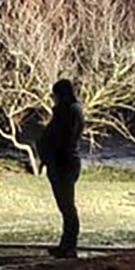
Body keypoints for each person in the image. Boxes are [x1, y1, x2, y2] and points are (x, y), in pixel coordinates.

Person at [39, 79, 83, 258]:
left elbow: (60, 138)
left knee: (67, 206)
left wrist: (48, 153)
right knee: (66, 205)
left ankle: (69, 245)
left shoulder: (67, 112)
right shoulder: (71, 111)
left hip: (63, 163)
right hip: (62, 162)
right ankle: (67, 244)